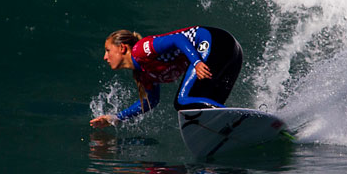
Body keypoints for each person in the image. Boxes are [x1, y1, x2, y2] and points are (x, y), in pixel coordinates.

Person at [89, 26, 242, 128]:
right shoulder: (142, 73)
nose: (105, 57)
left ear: (122, 48)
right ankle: (244, 125)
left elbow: (178, 39)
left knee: (182, 101)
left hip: (215, 41)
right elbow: (150, 101)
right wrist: (114, 118)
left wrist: (196, 62)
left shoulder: (141, 50)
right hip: (231, 52)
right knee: (208, 110)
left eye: (108, 50)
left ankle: (240, 120)